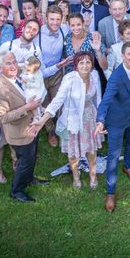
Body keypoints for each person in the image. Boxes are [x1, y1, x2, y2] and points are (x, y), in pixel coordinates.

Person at [39, 52, 103, 189]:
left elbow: (99, 99)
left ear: (92, 64)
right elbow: (57, 101)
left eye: (88, 62)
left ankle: (93, 175)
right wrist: (42, 120)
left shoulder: (95, 76)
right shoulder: (69, 78)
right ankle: (76, 176)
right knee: (73, 152)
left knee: (91, 150)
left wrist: (101, 119)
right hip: (73, 119)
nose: (85, 66)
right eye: (81, 63)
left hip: (89, 118)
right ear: (76, 66)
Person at [0, 52, 48, 203]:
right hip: (19, 133)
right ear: (0, 67)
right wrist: (27, 107)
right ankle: (16, 190)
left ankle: (29, 178)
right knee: (25, 162)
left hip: (31, 126)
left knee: (32, 157)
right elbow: (3, 117)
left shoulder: (19, 76)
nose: (13, 66)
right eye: (8, 63)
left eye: (14, 62)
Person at [95, 42, 130, 212]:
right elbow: (106, 99)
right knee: (113, 156)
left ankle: (128, 166)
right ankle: (110, 192)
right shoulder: (116, 76)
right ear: (123, 56)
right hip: (116, 122)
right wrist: (100, 120)